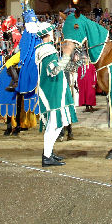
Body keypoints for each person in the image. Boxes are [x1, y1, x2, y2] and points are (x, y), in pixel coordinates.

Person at [34, 22, 76, 166]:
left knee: (54, 124)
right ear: (49, 33)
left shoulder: (43, 48)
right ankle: (46, 156)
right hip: (53, 91)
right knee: (56, 124)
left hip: (50, 89)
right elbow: (53, 70)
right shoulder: (49, 50)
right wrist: (66, 54)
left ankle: (49, 152)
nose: (54, 32)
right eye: (52, 31)